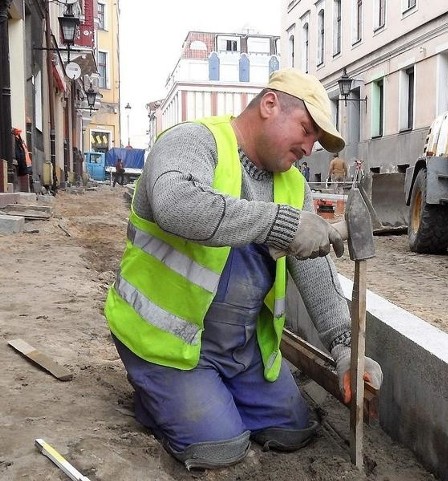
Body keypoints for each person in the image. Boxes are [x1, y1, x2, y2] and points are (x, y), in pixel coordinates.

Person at [104, 67, 383, 471]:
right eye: (306, 130)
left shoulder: (293, 185)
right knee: (220, 447)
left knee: (293, 430)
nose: (309, 147)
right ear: (270, 104)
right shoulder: (193, 141)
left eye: (316, 141)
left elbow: (315, 274)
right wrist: (279, 224)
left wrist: (345, 347)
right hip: (166, 344)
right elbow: (177, 205)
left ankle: (212, 395)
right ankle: (161, 399)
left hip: (238, 349)